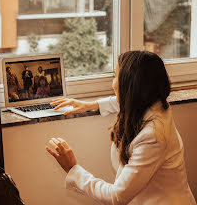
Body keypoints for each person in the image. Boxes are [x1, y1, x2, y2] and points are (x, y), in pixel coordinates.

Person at [46, 51, 196, 205]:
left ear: (129, 84)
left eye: (115, 76)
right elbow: (130, 100)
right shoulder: (155, 104)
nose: (112, 83)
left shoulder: (152, 137)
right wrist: (91, 105)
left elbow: (116, 197)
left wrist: (74, 169)